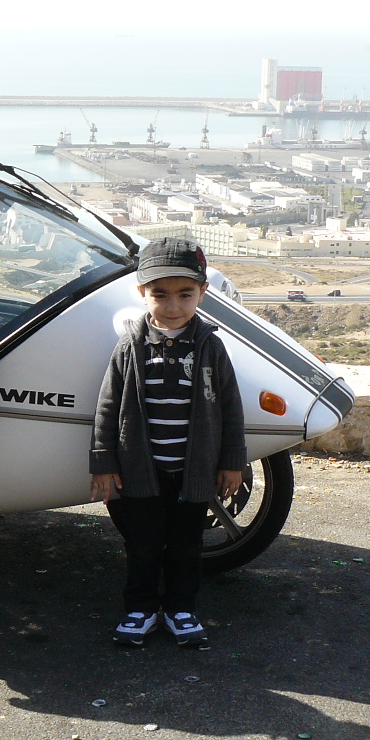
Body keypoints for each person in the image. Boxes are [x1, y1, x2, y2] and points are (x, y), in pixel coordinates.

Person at [89, 237, 246, 648]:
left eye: (185, 294)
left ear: (202, 293)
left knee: (186, 546)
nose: (173, 306)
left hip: (193, 474)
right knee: (142, 545)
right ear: (142, 292)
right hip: (142, 471)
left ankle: (181, 610)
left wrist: (233, 462)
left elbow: (231, 408)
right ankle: (140, 609)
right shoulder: (131, 347)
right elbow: (107, 406)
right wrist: (103, 463)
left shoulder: (210, 347)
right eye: (160, 295)